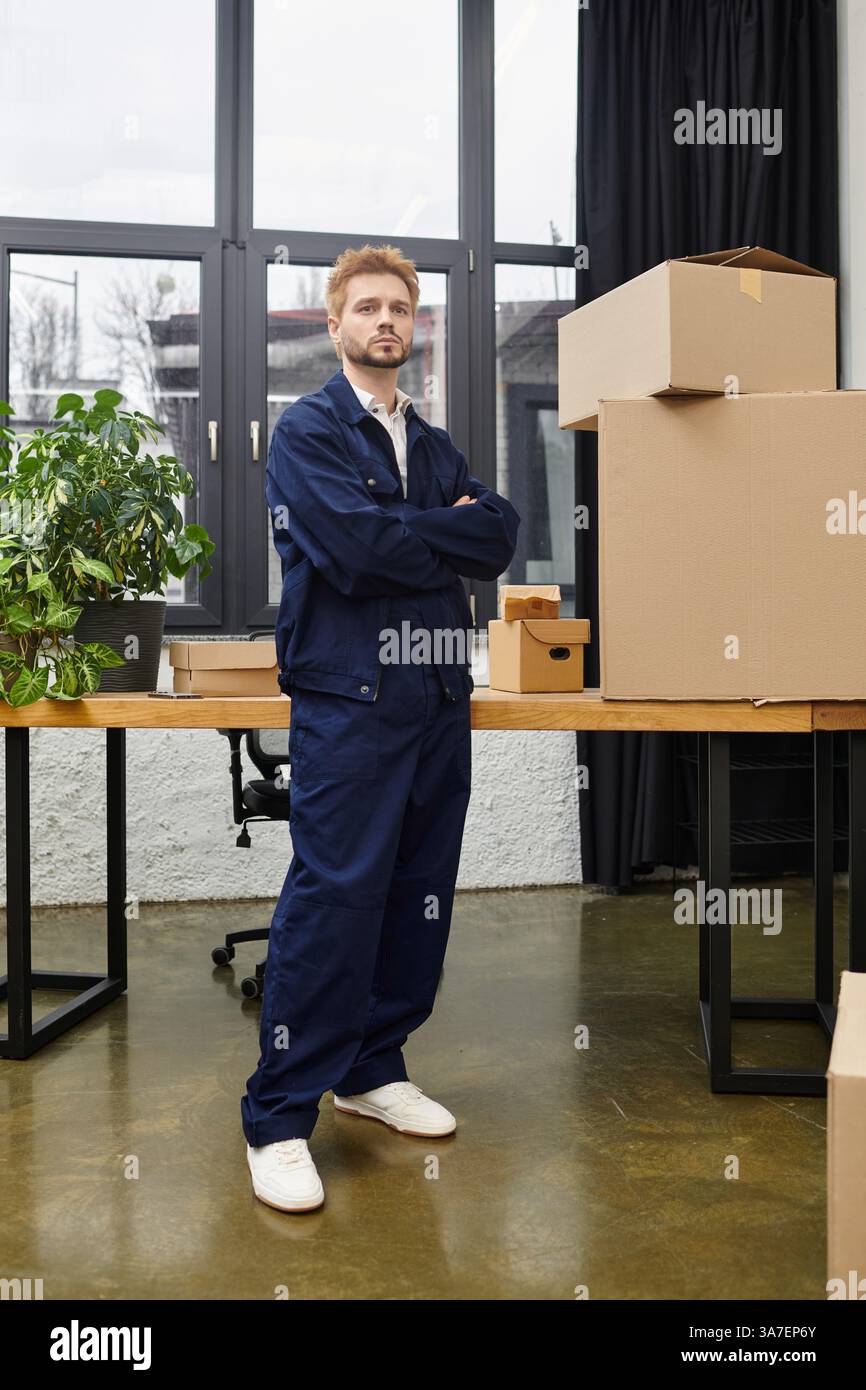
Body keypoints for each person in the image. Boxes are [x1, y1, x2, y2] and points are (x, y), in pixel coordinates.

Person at [242, 242, 520, 1212]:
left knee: (416, 895)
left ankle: (370, 1068)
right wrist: (421, 529)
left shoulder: (432, 442)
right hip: (350, 705)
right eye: (365, 307)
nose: (384, 321)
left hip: (438, 699)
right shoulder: (306, 435)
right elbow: (355, 555)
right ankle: (277, 1116)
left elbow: (498, 532)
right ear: (335, 325)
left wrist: (411, 523)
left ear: (415, 324)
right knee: (335, 901)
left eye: (398, 307)